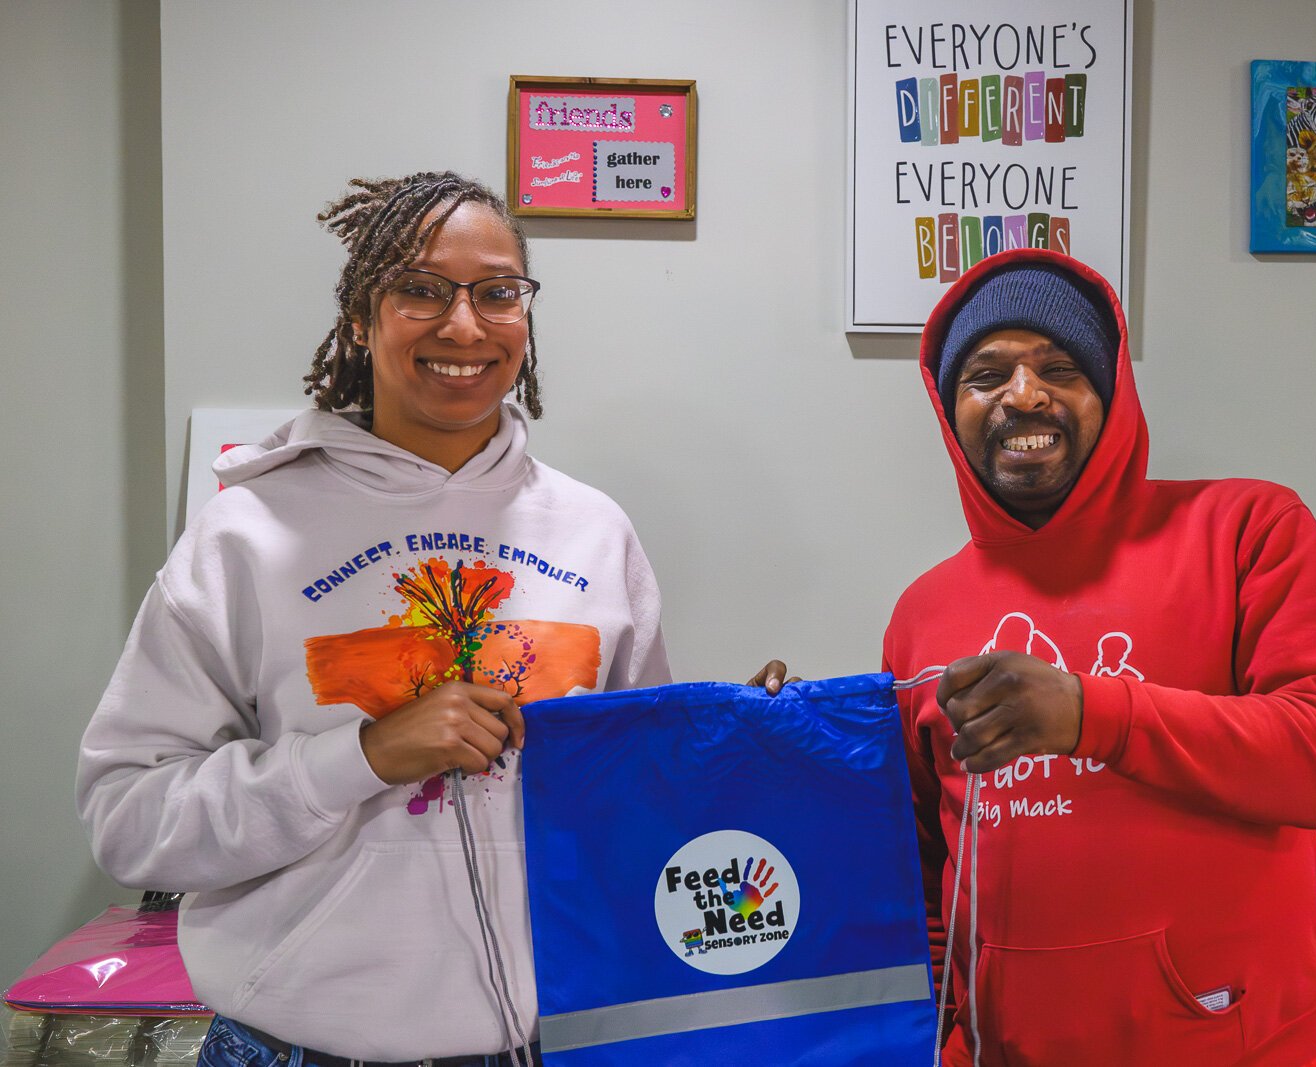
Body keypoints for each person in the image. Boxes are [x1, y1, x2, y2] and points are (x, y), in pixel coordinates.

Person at [77, 171, 786, 1067]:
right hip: (295, 1047)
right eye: (419, 288)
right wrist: (361, 757)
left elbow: (634, 803)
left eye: (497, 292)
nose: (463, 325)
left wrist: (743, 742)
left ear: (525, 318)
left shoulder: (595, 533)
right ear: (362, 316)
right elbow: (128, 817)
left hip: (542, 1045)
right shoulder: (247, 535)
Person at [882, 248, 1316, 1065]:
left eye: (1059, 366)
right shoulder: (920, 612)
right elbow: (922, 862)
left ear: (1110, 395)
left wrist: (1090, 714)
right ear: (950, 409)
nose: (1023, 394)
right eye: (986, 374)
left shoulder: (1248, 530)